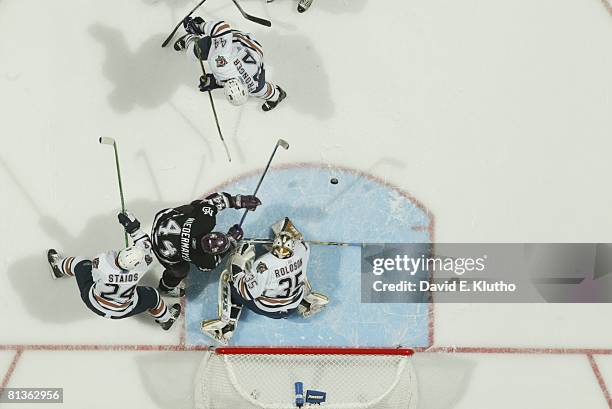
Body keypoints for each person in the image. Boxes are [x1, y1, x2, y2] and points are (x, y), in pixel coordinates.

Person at [201, 217, 329, 344]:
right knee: (299, 268)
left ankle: (226, 327)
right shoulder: (303, 248)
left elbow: (248, 292)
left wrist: (237, 263)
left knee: (228, 278)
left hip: (269, 310)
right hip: (293, 304)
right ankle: (308, 301)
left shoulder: (264, 264)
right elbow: (294, 236)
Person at [47, 212, 181, 330]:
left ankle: (58, 268)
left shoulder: (103, 261)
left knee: (79, 263)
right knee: (154, 296)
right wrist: (134, 229)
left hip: (93, 301)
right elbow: (146, 245)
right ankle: (166, 320)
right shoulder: (141, 268)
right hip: (121, 310)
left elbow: (94, 276)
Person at [151, 192, 261, 297]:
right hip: (161, 250)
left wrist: (238, 201)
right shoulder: (203, 260)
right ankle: (165, 288)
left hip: (162, 219)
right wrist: (232, 241)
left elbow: (212, 202)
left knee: (196, 208)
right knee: (181, 271)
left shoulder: (205, 221)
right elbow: (212, 263)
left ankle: (166, 287)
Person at [173, 16, 287, 111]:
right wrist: (199, 27)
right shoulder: (220, 65)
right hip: (238, 42)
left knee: (261, 90)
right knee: (192, 54)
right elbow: (222, 28)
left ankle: (277, 95)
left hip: (253, 50)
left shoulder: (252, 86)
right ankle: (190, 39)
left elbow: (229, 79)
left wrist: (213, 81)